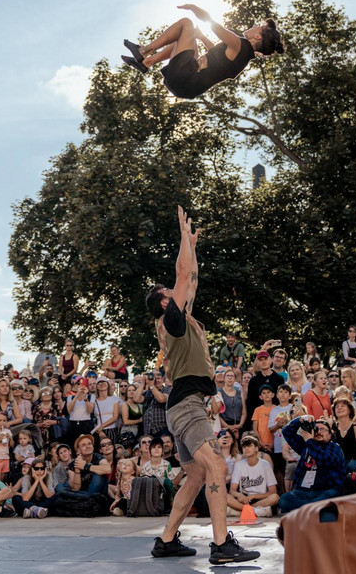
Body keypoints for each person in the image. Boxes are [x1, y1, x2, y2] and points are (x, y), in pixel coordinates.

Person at [143, 207, 259, 564]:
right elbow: (182, 274)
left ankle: (166, 540)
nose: (180, 292)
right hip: (188, 403)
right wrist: (181, 235)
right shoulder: (171, 319)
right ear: (165, 301)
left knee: (194, 476)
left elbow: (190, 277)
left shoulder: (185, 320)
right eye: (171, 293)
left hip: (183, 405)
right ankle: (222, 545)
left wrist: (192, 248)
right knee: (218, 468)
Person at [122, 5, 283, 100]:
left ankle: (143, 51)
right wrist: (200, 36)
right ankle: (146, 63)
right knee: (187, 35)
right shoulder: (242, 58)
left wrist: (195, 9)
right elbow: (215, 56)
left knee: (186, 23)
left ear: (257, 35)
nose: (255, 25)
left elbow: (216, 26)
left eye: (258, 27)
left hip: (184, 78)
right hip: (186, 87)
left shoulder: (239, 45)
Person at [279, 415, 345, 513]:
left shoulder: (335, 448)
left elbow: (325, 459)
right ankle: (312, 509)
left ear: (330, 434)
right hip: (304, 492)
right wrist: (300, 419)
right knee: (284, 499)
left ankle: (305, 509)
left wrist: (309, 441)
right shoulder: (306, 446)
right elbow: (286, 431)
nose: (318, 431)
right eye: (316, 428)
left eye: (322, 429)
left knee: (331, 496)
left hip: (326, 491)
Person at [227, 437, 278, 517]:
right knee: (225, 496)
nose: (246, 448)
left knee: (275, 497)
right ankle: (256, 511)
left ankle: (242, 512)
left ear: (257, 448)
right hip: (244, 499)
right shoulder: (239, 465)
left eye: (249, 446)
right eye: (244, 447)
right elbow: (232, 490)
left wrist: (253, 496)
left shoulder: (265, 465)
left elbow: (273, 491)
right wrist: (239, 495)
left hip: (261, 499)